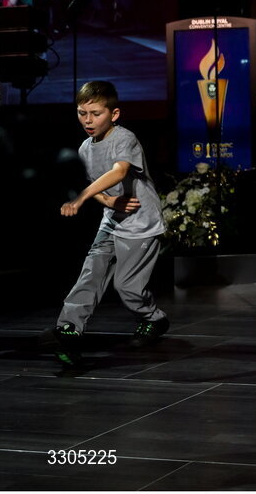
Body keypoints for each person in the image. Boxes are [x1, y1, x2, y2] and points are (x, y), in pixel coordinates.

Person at [39, 81, 168, 368]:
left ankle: (153, 318)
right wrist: (107, 201)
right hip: (111, 223)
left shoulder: (124, 138)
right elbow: (90, 181)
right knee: (90, 273)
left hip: (141, 224)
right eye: (82, 113)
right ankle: (69, 330)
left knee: (127, 287)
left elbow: (119, 171)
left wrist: (82, 198)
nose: (88, 120)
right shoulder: (85, 148)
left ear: (114, 113)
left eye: (95, 114)